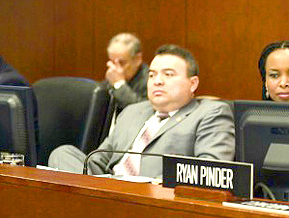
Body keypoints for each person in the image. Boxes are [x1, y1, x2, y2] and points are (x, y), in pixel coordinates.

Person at [49, 45, 235, 178]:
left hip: (156, 197)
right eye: (152, 75)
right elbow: (99, 159)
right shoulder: (132, 111)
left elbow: (213, 172)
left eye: (168, 74)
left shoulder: (211, 113)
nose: (157, 81)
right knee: (63, 153)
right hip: (111, 188)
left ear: (193, 83)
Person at [104, 33, 149, 112]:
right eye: (112, 62)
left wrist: (119, 85)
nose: (114, 68)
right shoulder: (112, 77)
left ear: (137, 59)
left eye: (121, 63)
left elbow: (141, 112)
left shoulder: (150, 80)